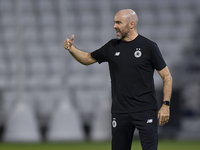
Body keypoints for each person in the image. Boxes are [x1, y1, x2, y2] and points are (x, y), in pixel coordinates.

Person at [63, 9, 172, 150]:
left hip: (145, 110)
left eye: (118, 22)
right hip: (120, 112)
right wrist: (72, 49)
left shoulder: (149, 47)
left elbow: (167, 76)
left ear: (131, 24)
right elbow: (87, 58)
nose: (114, 26)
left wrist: (166, 105)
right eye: (114, 22)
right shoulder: (112, 46)